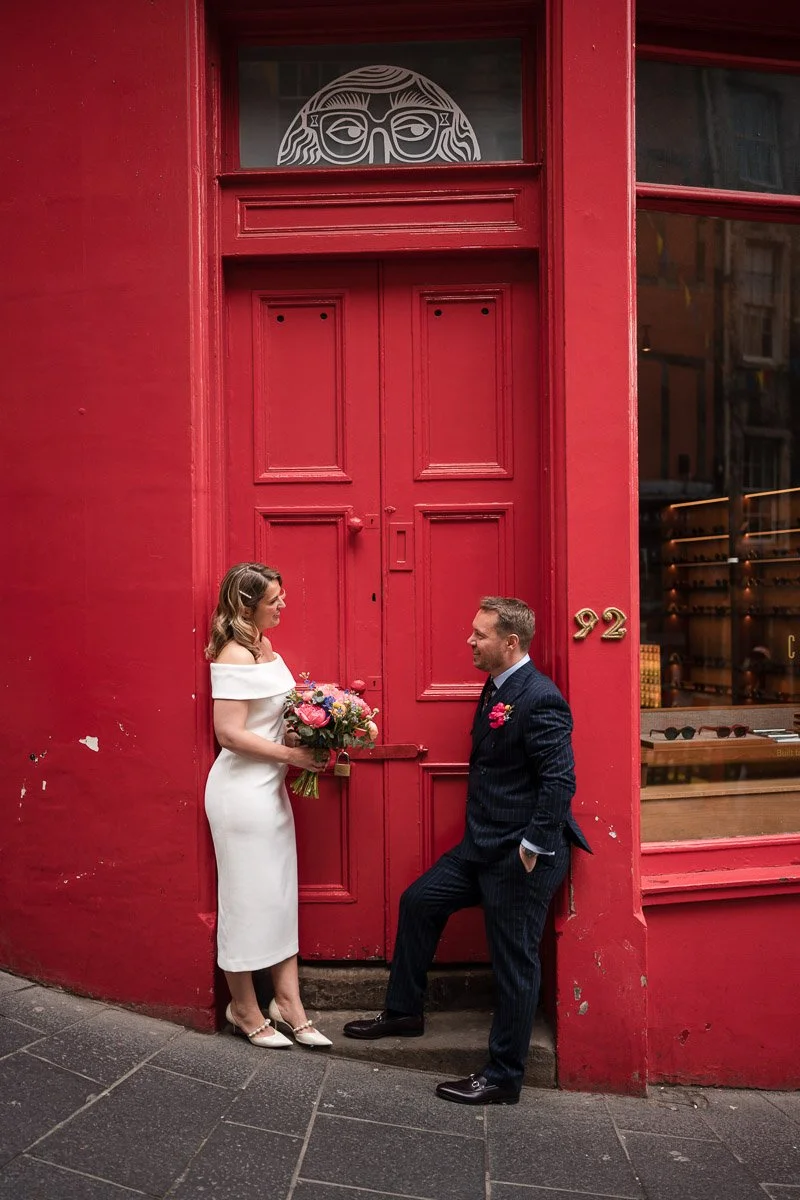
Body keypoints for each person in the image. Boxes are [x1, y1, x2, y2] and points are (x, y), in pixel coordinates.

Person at [344, 596, 591, 1103]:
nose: (470, 641)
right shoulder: (496, 685)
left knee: (514, 963)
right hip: (480, 844)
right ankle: (405, 1012)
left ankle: (503, 1077)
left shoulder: (540, 696)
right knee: (420, 901)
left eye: (480, 634)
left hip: (519, 853)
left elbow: (559, 780)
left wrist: (534, 846)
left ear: (511, 642)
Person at [204, 562, 332, 1049]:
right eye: (274, 598)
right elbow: (229, 734)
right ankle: (244, 1007)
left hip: (270, 791)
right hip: (240, 795)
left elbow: (268, 717)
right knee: (244, 898)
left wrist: (310, 729)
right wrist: (292, 754)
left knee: (278, 897)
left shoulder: (266, 648)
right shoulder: (234, 654)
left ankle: (288, 1003)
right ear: (246, 605)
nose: (283, 605)